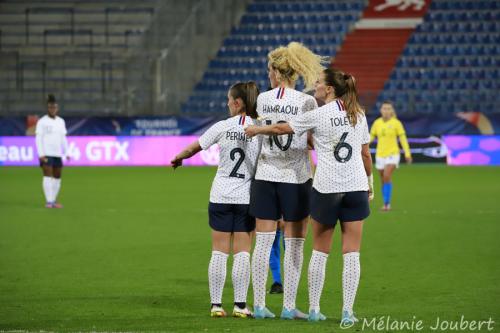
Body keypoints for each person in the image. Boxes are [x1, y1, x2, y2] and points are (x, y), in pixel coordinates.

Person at [245, 68, 374, 324]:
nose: (314, 85)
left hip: (327, 188)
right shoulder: (358, 114)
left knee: (319, 252)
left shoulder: (318, 114)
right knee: (352, 254)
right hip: (356, 187)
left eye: (319, 83)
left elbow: (283, 129)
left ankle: (314, 310)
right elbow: (366, 155)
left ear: (329, 89)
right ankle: (348, 312)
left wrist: (258, 131)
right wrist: (369, 183)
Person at [171, 82, 261, 318]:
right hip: (245, 197)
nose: (227, 103)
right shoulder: (259, 129)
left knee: (219, 252)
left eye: (229, 100)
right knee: (242, 253)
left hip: (221, 194)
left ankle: (216, 305)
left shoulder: (222, 126)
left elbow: (195, 147)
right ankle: (240, 306)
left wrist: (179, 158)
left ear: (238, 102)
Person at [248, 42, 325, 320]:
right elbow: (312, 141)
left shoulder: (263, 100)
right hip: (296, 177)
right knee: (294, 245)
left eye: (270, 70)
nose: (268, 74)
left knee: (264, 242)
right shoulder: (306, 102)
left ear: (278, 73)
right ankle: (289, 307)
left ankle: (258, 305)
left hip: (266, 175)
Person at [370, 101, 412, 211]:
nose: (386, 111)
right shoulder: (377, 123)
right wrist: (361, 147)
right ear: (381, 110)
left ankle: (387, 204)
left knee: (387, 175)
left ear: (391, 111)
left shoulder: (396, 123)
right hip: (380, 155)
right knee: (383, 179)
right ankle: (386, 202)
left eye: (389, 109)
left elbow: (402, 139)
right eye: (384, 108)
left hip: (393, 154)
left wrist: (407, 153)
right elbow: (370, 138)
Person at [35, 94, 69, 208]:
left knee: (57, 177)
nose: (52, 109)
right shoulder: (42, 122)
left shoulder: (61, 121)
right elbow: (38, 138)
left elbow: (63, 138)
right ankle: (49, 201)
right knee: (47, 175)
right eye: (50, 107)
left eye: (54, 107)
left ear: (57, 108)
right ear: (47, 108)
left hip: (57, 153)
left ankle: (53, 200)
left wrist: (67, 152)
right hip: (47, 153)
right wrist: (41, 154)